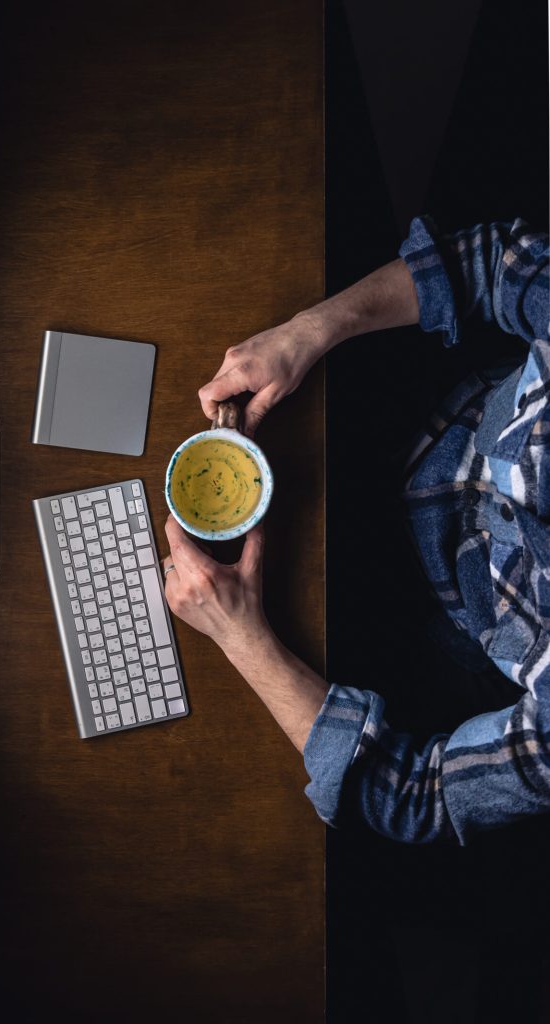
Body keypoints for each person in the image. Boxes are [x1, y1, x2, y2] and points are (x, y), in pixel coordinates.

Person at [161, 216, 549, 844]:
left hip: (414, 627)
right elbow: (492, 264)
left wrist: (241, 637)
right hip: (418, 408)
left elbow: (419, 799)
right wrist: (308, 331)